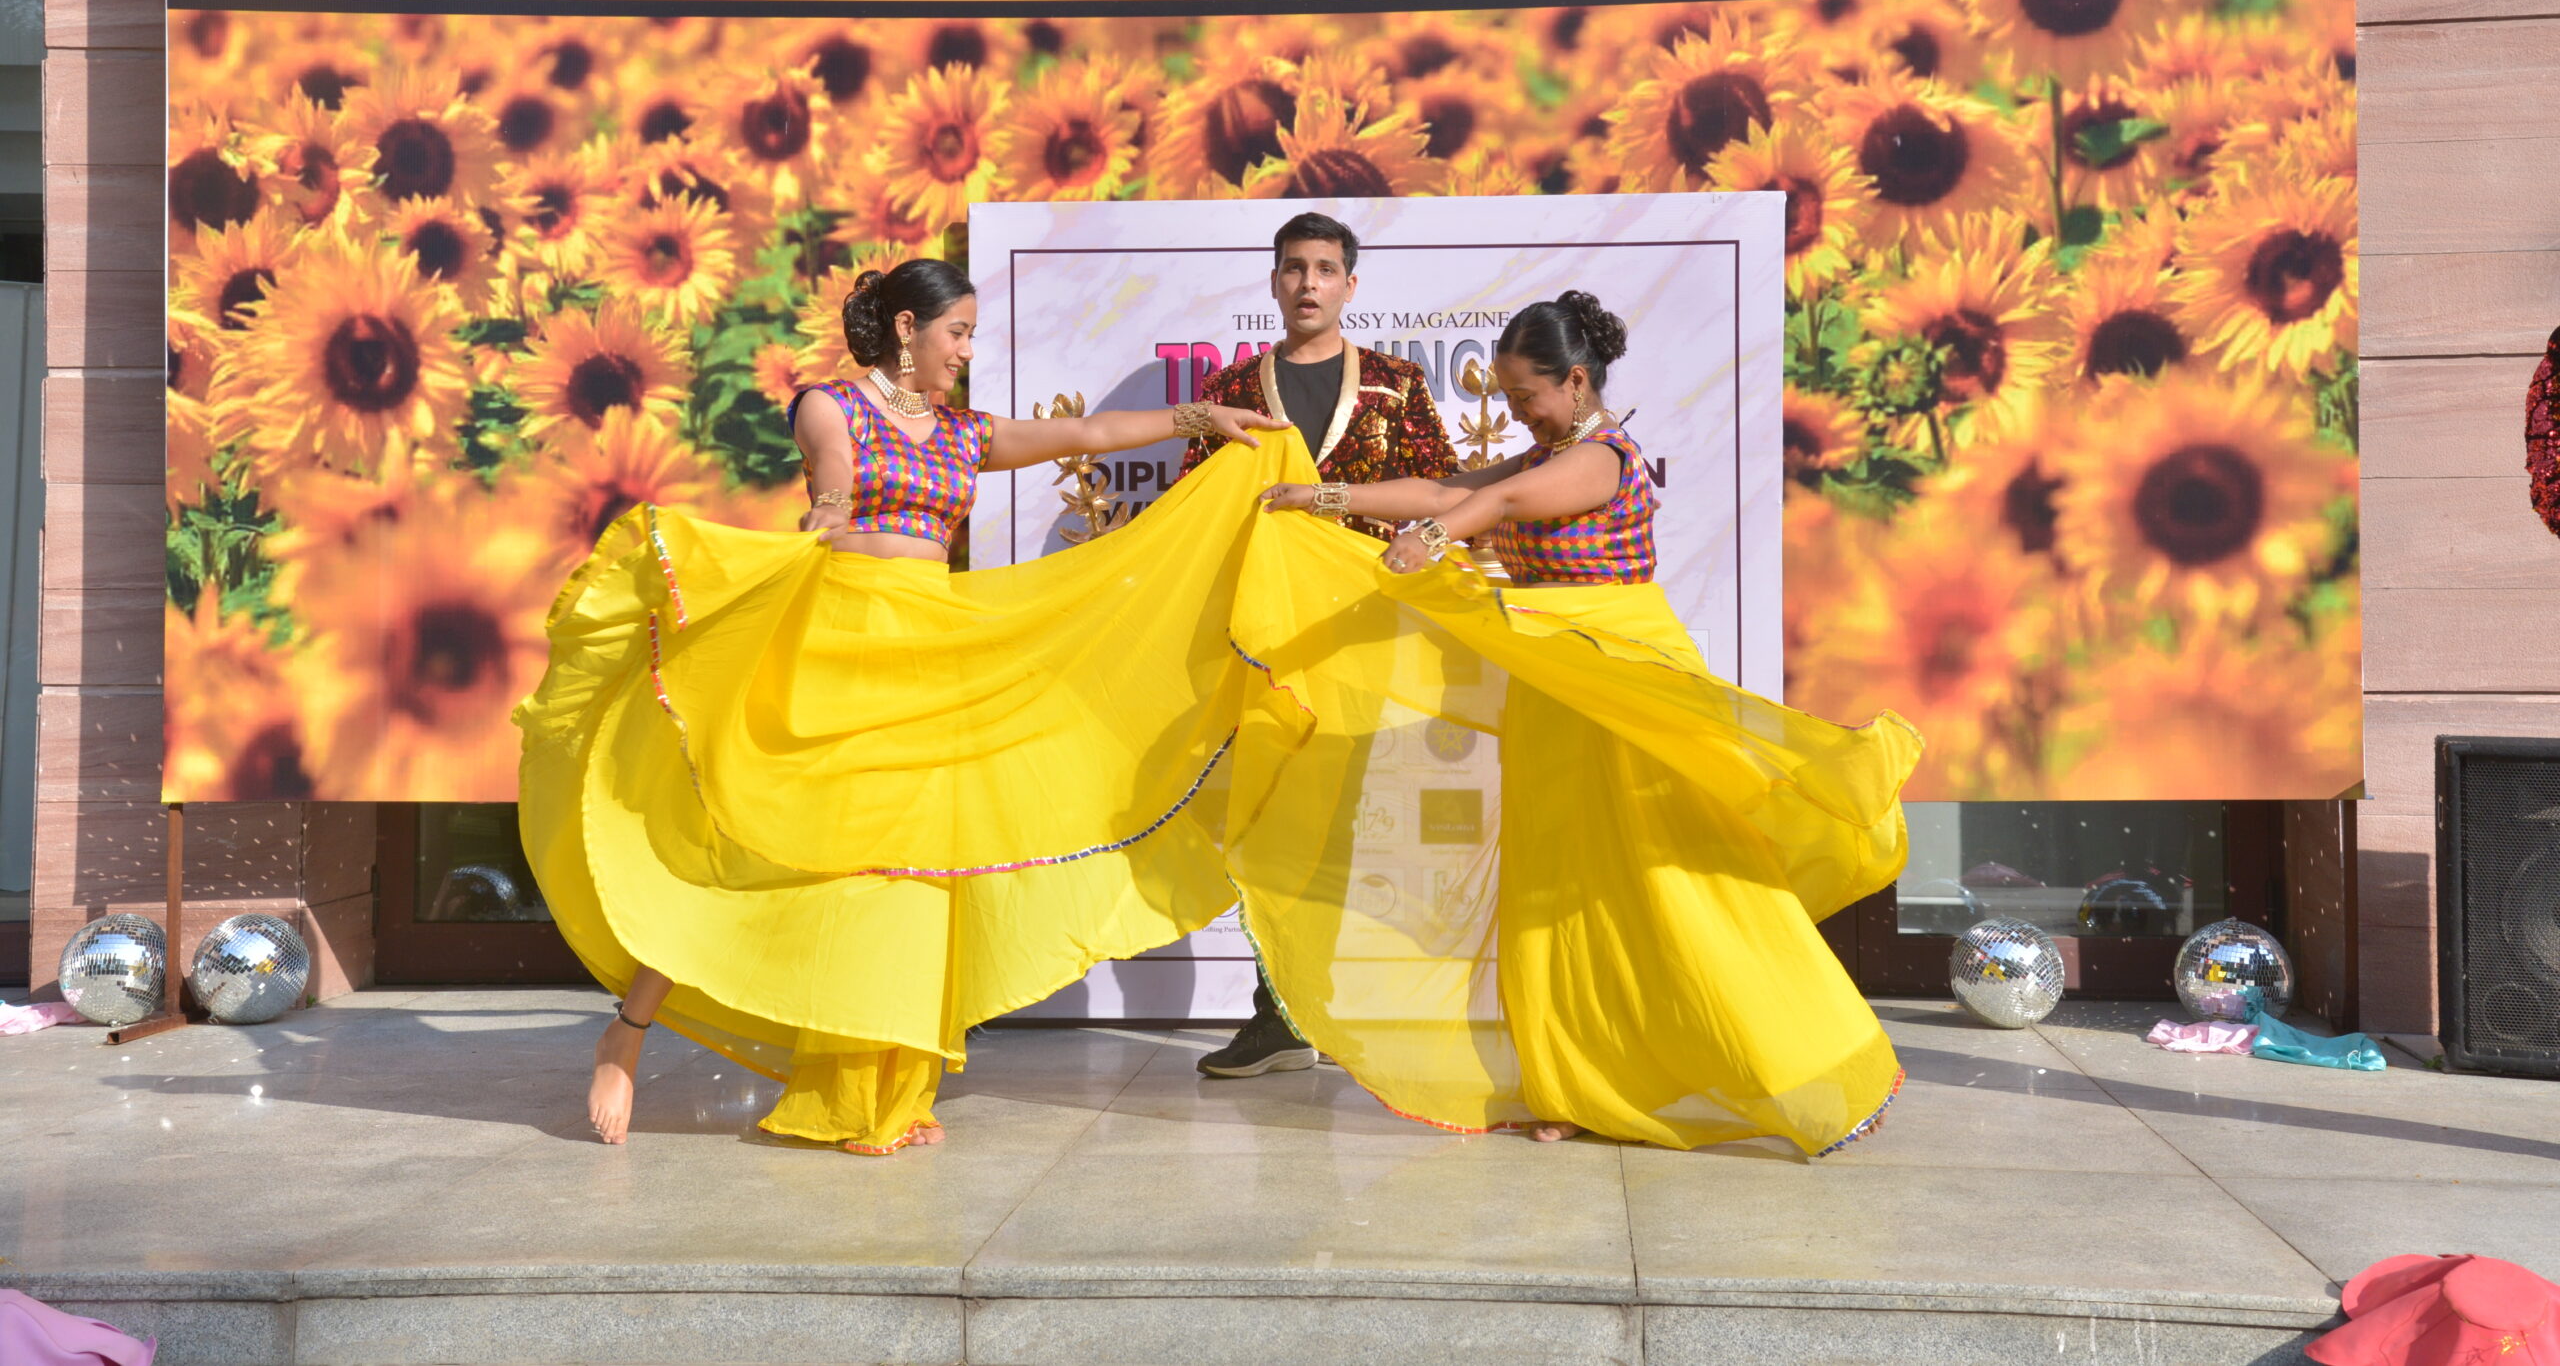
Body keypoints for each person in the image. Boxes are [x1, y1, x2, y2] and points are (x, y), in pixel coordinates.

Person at [517, 256, 1291, 1154]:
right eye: (957, 332)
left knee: (911, 874)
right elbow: (834, 476)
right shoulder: (831, 406)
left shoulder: (963, 433)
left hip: (931, 657)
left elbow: (1088, 431)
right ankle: (627, 1031)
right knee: (768, 847)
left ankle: (884, 1087)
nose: (967, 350)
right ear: (905, 329)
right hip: (840, 649)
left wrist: (1201, 417)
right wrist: (830, 509)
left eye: (971, 334)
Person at [1238, 291, 1922, 1155]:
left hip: (1625, 682)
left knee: (1689, 884)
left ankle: (1827, 1068)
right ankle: (1570, 1084)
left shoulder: (1601, 459)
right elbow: (1449, 487)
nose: (1515, 411)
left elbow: (1501, 506)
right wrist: (1327, 495)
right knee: (1553, 889)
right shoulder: (1547, 452)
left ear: (1574, 380)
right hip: (1554, 685)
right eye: (1507, 397)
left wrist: (1433, 539)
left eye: (1525, 395)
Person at [1180, 210, 1461, 1079]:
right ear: (1273, 281)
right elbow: (1196, 511)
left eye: (1325, 268)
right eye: (1295, 267)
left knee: (1345, 818)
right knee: (1266, 814)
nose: (1309, 283)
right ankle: (1279, 1010)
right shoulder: (1233, 387)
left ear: (1350, 284)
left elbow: (1443, 493)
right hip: (1264, 634)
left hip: (1362, 627)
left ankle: (1323, 1000)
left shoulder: (1395, 384)